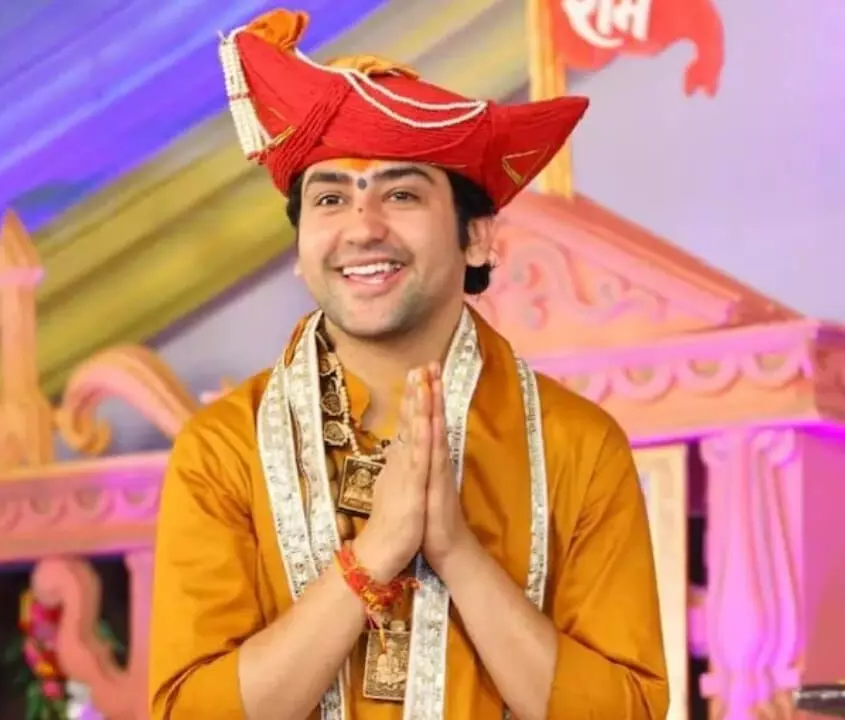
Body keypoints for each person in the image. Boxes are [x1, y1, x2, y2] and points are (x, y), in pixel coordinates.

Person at [148, 8, 668, 720]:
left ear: (476, 237)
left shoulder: (578, 447)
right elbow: (189, 712)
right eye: (330, 198)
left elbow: (625, 712)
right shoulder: (224, 450)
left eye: (401, 194)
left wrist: (456, 551)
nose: (362, 227)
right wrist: (373, 557)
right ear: (300, 249)